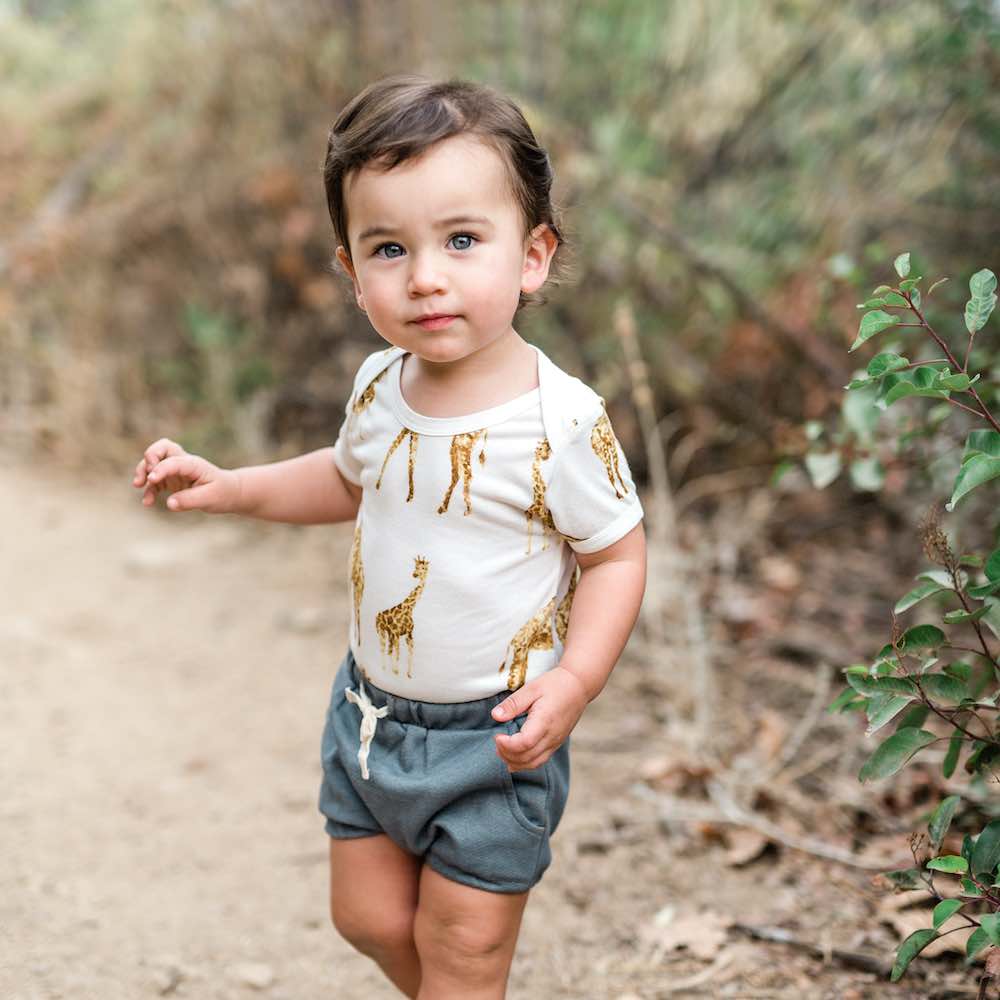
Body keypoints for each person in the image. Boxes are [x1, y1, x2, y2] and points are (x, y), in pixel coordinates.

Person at [132, 74, 647, 1000]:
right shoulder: (380, 384)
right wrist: (232, 485)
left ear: (532, 256)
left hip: (495, 738)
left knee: (463, 951)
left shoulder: (561, 421)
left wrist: (574, 681)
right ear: (351, 270)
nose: (426, 276)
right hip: (370, 715)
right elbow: (345, 479)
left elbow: (615, 554)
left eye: (462, 240)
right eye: (389, 248)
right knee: (366, 919)